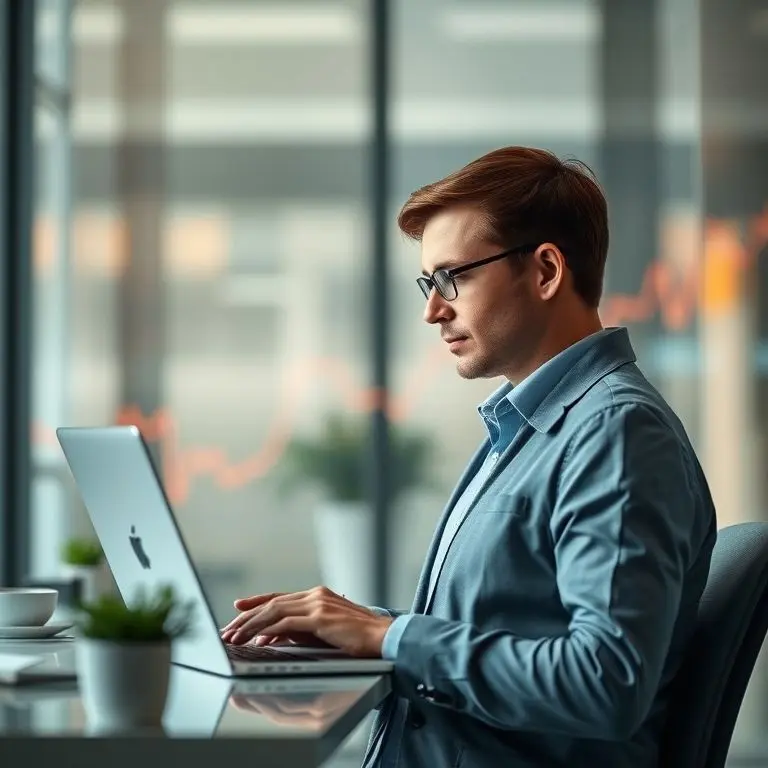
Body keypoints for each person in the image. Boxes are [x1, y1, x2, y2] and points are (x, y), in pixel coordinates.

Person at [220, 146, 717, 767]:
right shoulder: (529, 427)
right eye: (429, 283)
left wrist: (389, 637)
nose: (433, 310)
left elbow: (605, 681)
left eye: (453, 277)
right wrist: (357, 633)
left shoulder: (615, 433)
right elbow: (494, 634)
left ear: (544, 272)